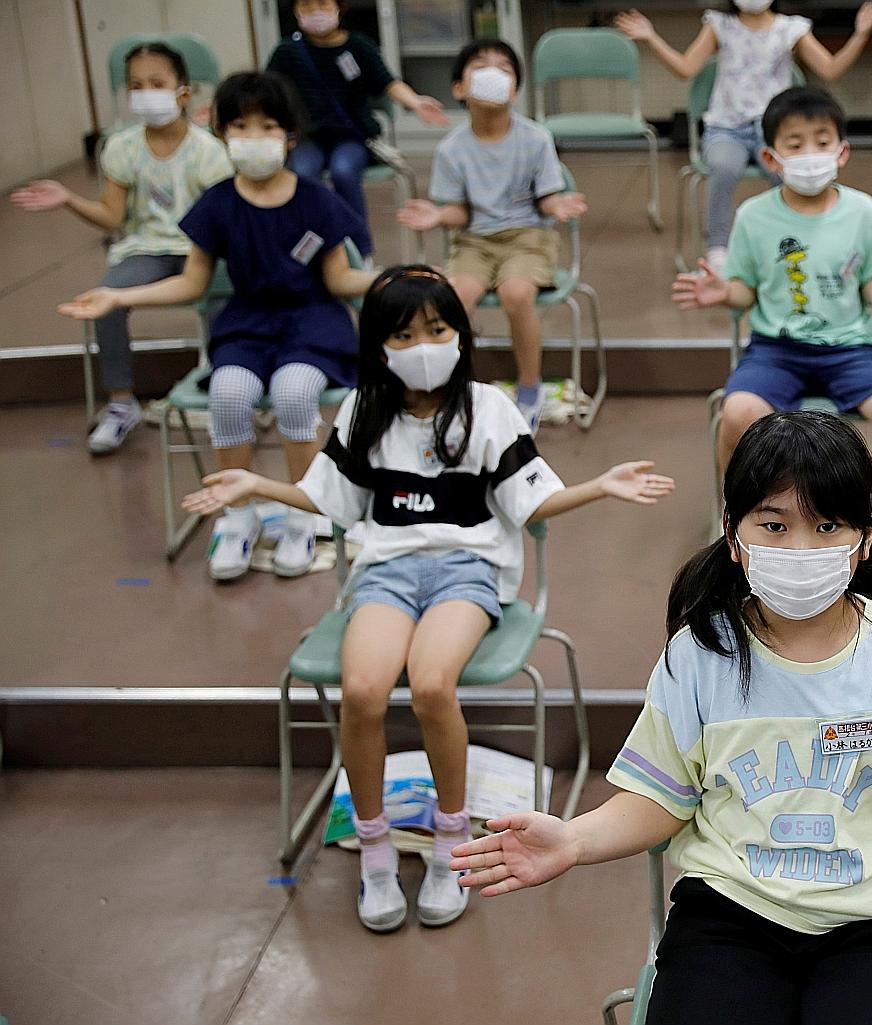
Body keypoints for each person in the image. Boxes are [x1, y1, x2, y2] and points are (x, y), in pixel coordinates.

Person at [449, 409, 872, 1017]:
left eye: (827, 526)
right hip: (730, 913)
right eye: (774, 525)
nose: (800, 550)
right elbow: (660, 797)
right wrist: (575, 839)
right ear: (733, 534)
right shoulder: (700, 654)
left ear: (865, 538)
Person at [181, 266, 675, 933]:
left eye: (437, 329)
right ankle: (375, 849)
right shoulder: (364, 408)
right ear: (379, 344)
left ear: (459, 333)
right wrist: (254, 483)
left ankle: (451, 840)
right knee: (362, 691)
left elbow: (531, 501)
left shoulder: (488, 407)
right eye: (405, 334)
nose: (423, 346)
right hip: (387, 570)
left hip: (468, 570)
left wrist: (599, 485)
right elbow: (329, 497)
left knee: (432, 684)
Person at [58, 71, 378, 581]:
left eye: (267, 126)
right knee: (228, 394)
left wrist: (397, 279)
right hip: (246, 325)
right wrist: (118, 296)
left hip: (313, 324)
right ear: (223, 133)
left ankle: (304, 514)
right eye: (241, 126)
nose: (254, 137)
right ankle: (237, 515)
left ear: (290, 135)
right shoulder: (218, 203)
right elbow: (192, 283)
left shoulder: (317, 200)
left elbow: (340, 279)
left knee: (294, 392)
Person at [673, 87, 872, 553]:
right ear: (771, 157)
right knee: (737, 414)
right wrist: (724, 293)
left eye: (822, 141)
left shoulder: (862, 211)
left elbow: (871, 278)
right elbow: (744, 289)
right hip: (776, 350)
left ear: (842, 151)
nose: (810, 153)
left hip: (851, 347)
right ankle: (741, 517)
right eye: (795, 143)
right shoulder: (754, 216)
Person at [10, 42, 231, 455]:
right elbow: (112, 218)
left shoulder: (209, 152)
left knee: (223, 293)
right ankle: (121, 403)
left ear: (183, 92)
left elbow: (223, 222)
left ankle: (224, 390)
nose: (145, 93)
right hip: (146, 249)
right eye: (136, 85)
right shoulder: (123, 147)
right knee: (106, 298)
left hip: (201, 249)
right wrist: (69, 199)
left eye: (157, 84)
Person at [398, 40, 586, 431]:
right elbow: (459, 212)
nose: (492, 73)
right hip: (474, 242)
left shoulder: (536, 138)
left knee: (515, 293)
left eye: (504, 68)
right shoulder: (452, 149)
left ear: (515, 91)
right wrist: (438, 214)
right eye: (480, 66)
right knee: (455, 299)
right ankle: (453, 390)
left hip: (527, 237)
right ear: (459, 88)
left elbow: (546, 197)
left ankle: (529, 390)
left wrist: (557, 205)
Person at [616, 0, 872, 273]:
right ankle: (718, 250)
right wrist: (651, 37)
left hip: (775, 130)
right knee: (724, 166)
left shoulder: (790, 28)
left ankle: (789, 240)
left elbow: (830, 69)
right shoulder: (719, 24)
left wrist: (860, 34)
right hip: (726, 127)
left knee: (786, 171)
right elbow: (686, 68)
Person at [266, 0, 450, 258]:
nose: (315, 12)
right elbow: (267, 90)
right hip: (308, 137)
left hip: (351, 137)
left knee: (344, 171)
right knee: (304, 175)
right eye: (306, 6)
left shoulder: (359, 46)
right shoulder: (287, 51)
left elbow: (388, 83)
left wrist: (415, 102)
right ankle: (314, 249)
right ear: (296, 12)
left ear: (339, 7)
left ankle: (359, 250)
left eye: (322, 4)